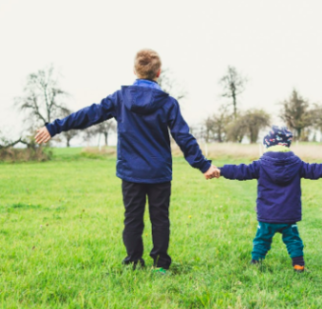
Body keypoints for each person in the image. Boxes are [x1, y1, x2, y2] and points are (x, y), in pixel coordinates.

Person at [34, 49, 220, 275]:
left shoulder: (120, 99)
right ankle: (160, 265)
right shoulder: (168, 103)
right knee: (160, 218)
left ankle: (133, 262)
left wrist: (54, 127)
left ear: (134, 70)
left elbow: (88, 114)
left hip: (131, 171)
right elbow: (183, 136)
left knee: (132, 219)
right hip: (159, 172)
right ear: (158, 73)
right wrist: (204, 165)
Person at [208, 126, 322, 272]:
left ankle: (256, 263)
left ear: (268, 144)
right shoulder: (297, 164)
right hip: (288, 215)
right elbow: (314, 169)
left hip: (267, 214)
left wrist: (221, 170)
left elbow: (241, 171)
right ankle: (298, 265)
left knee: (262, 239)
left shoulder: (261, 164)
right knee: (293, 240)